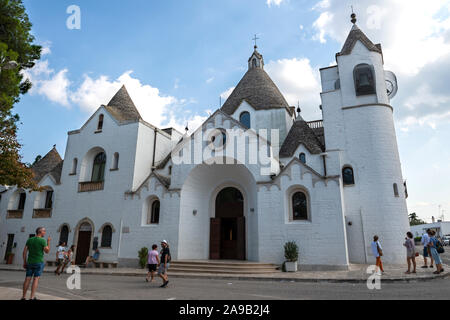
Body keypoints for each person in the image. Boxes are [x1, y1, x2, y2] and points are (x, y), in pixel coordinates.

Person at [22, 227, 51, 300]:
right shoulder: (42, 240)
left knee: (27, 279)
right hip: (38, 262)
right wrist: (48, 242)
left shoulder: (29, 240)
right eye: (44, 231)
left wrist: (24, 262)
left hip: (30, 262)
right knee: (36, 279)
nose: (45, 232)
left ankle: (23, 297)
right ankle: (31, 297)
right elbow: (47, 251)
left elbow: (24, 252)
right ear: (40, 232)